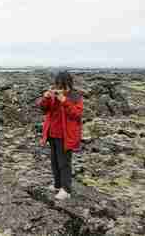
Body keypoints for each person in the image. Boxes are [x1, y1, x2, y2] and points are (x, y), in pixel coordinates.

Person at [36, 71, 83, 200]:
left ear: (69, 84)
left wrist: (64, 100)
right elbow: (43, 108)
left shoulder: (75, 96)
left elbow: (76, 114)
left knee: (64, 163)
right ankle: (57, 185)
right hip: (52, 134)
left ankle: (66, 190)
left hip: (65, 136)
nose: (60, 89)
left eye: (63, 86)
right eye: (58, 86)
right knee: (54, 162)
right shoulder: (53, 95)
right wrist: (45, 98)